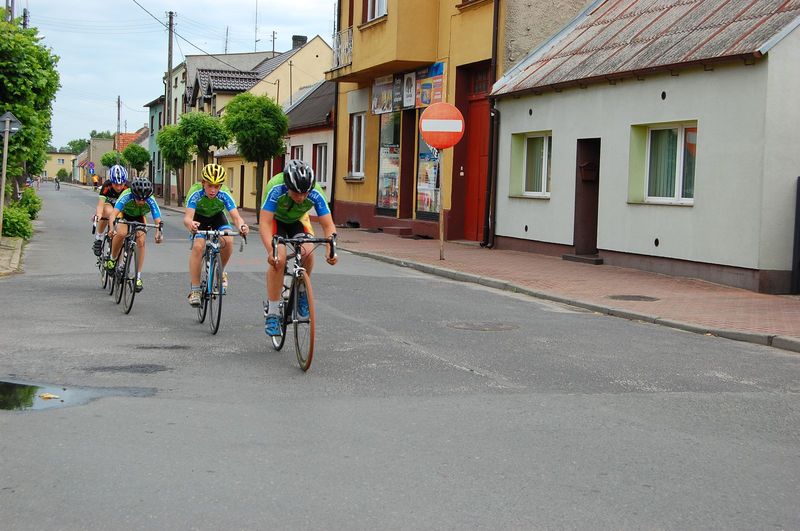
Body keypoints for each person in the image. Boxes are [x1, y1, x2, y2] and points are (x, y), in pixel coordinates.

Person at [260, 159, 337, 337]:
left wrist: (331, 249)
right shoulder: (275, 187)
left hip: (297, 220)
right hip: (275, 220)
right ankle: (272, 312)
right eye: (296, 193)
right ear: (287, 186)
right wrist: (271, 251)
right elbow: (264, 222)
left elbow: (328, 225)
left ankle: (302, 291)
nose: (301, 197)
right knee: (278, 258)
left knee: (308, 252)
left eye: (305, 193)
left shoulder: (316, 192)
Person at [183, 163, 249, 307]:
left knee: (228, 240)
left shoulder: (224, 193)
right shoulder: (195, 192)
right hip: (199, 219)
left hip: (218, 217)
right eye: (209, 186)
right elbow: (187, 218)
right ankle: (195, 290)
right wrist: (191, 225)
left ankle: (221, 271)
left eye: (217, 186)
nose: (213, 190)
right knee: (198, 246)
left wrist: (242, 226)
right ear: (203, 183)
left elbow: (236, 217)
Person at [106, 178, 163, 293]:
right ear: (133, 194)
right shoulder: (126, 195)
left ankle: (138, 276)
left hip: (139, 217)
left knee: (141, 241)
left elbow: (158, 220)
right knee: (121, 233)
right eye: (138, 199)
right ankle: (112, 259)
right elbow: (113, 215)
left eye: (144, 199)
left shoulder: (150, 199)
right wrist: (112, 228)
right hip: (124, 215)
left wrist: (159, 232)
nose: (141, 202)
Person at [92, 165, 129, 256]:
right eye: (116, 184)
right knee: (107, 211)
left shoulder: (128, 187)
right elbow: (100, 204)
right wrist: (99, 214)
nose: (119, 187)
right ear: (111, 182)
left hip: (121, 208)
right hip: (109, 205)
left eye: (121, 184)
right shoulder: (106, 185)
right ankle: (99, 238)